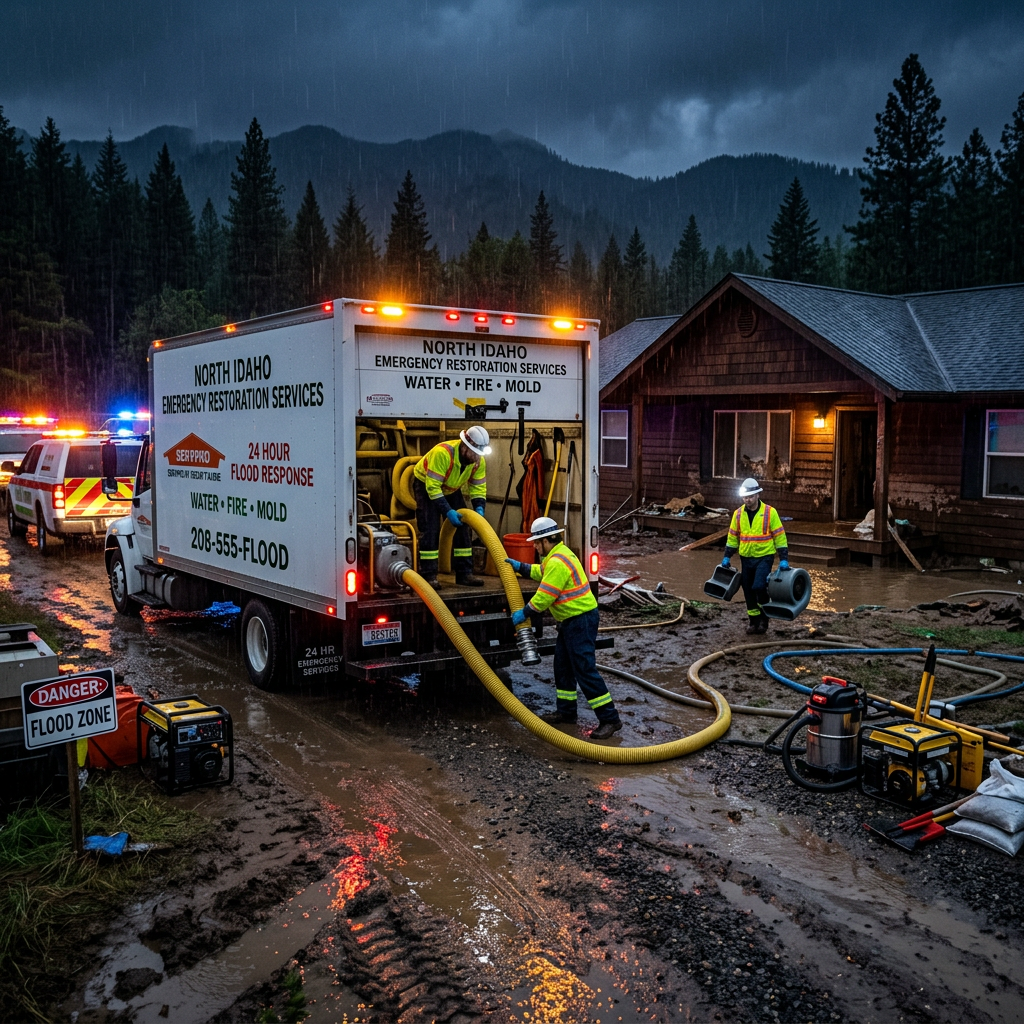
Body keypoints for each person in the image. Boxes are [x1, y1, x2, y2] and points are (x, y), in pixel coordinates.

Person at [505, 517, 622, 739]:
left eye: (537, 542)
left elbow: (543, 598)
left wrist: (524, 613)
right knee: (563, 667)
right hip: (572, 621)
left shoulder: (558, 562)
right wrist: (520, 567)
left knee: (585, 670)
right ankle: (566, 712)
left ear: (548, 540)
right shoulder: (557, 556)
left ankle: (610, 719)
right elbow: (541, 572)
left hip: (580, 620)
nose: (534, 546)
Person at [413, 426, 490, 586]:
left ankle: (464, 574)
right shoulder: (443, 453)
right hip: (426, 486)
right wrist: (448, 511)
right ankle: (429, 575)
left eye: (479, 454)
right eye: (475, 453)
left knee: (464, 527)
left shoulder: (477, 461)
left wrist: (479, 508)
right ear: (464, 447)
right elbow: (433, 487)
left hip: (451, 488)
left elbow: (478, 487)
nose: (477, 458)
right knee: (430, 528)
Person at [721, 477, 789, 634]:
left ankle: (764, 619)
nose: (747, 499)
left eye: (750, 496)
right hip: (746, 558)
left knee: (759, 586)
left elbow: (780, 536)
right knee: (748, 589)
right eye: (745, 497)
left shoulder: (770, 513)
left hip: (764, 557)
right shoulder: (738, 515)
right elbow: (732, 537)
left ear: (758, 495)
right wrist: (727, 557)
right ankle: (753, 621)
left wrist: (784, 559)